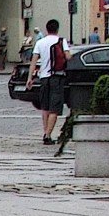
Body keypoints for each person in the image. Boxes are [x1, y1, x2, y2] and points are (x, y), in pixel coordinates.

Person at [30, 18, 70, 146]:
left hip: (44, 77)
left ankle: (45, 132)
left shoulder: (40, 42)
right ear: (57, 29)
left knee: (45, 107)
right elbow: (68, 57)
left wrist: (29, 78)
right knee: (55, 108)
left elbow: (34, 62)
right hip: (57, 77)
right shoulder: (61, 41)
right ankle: (47, 135)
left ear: (47, 29)